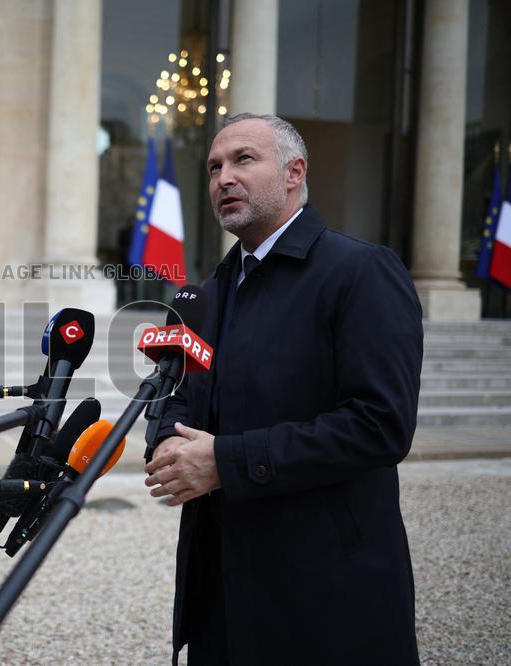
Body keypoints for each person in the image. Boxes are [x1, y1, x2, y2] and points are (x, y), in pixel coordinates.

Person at [145, 114, 423, 665]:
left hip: (326, 597)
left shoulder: (360, 272)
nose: (224, 178)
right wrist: (168, 441)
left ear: (295, 172)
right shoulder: (206, 294)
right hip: (220, 592)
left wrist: (226, 462)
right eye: (214, 167)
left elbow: (380, 425)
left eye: (243, 160)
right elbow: (176, 393)